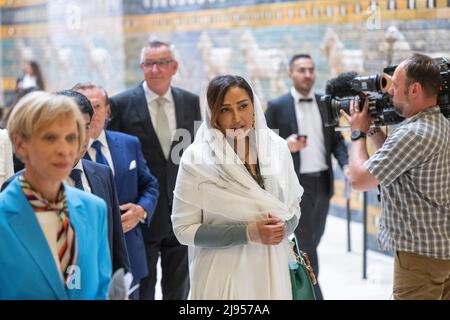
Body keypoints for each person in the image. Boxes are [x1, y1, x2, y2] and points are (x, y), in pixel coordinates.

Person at [171, 75, 303, 299]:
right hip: (223, 275)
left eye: (243, 106)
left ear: (254, 106)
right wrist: (249, 233)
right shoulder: (197, 159)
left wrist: (282, 228)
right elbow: (183, 230)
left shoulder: (278, 148)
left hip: (273, 269)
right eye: (225, 110)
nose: (237, 118)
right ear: (213, 116)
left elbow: (294, 207)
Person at [342, 53, 450, 300]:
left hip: (419, 259)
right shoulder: (439, 124)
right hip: (440, 251)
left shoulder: (413, 134)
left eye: (395, 84)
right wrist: (371, 129)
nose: (389, 91)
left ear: (414, 89)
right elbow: (394, 163)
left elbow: (358, 180)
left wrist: (357, 134)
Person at [0, 90, 131, 276]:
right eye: (50, 138)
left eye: (72, 137)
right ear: (21, 144)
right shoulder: (7, 209)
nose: (65, 149)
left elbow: (108, 269)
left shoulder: (94, 208)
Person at [108, 40, 201, 300]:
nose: (155, 69)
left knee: (179, 289)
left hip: (182, 212)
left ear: (174, 67)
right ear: (142, 67)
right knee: (143, 290)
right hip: (142, 214)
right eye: (149, 63)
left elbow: (195, 153)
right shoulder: (122, 104)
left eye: (162, 62)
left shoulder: (190, 102)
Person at [265, 53, 348, 299]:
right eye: (301, 70)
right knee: (306, 244)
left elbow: (337, 143)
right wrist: (284, 144)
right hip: (295, 186)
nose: (308, 74)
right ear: (290, 74)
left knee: (314, 239)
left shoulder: (326, 103)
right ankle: (313, 293)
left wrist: (345, 167)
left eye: (311, 70)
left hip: (323, 182)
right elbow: (263, 145)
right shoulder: (278, 106)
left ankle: (299, 286)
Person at [73, 83, 159, 299]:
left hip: (130, 252)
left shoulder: (128, 143)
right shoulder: (67, 156)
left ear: (107, 109)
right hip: (82, 262)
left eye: (97, 106)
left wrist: (141, 209)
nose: (92, 115)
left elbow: (150, 184)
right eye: (85, 109)